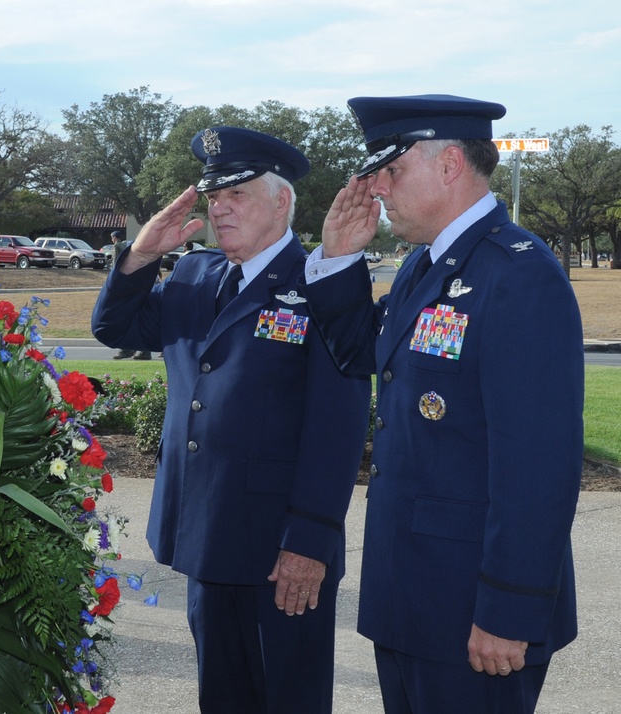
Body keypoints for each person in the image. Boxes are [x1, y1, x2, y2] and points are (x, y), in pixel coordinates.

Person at [302, 95, 584, 713]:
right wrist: (339, 260)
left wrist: (510, 609)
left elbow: (538, 464)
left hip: (475, 610)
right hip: (412, 594)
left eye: (389, 169)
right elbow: (364, 357)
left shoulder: (518, 273)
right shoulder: (423, 267)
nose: (374, 186)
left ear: (450, 164)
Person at [92, 126, 371, 713]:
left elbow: (337, 424)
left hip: (278, 547)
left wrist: (309, 542)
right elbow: (115, 330)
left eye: (237, 194)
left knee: (287, 699)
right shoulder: (194, 275)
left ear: (281, 201)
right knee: (221, 697)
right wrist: (142, 255)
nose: (219, 207)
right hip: (205, 531)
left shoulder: (324, 281)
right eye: (213, 196)